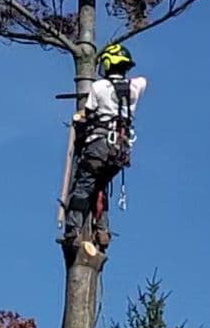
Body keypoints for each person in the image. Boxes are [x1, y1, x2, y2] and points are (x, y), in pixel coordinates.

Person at [62, 42, 147, 253]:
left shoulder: (99, 87)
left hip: (98, 145)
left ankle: (72, 231)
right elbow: (142, 81)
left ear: (108, 64)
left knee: (82, 187)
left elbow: (89, 113)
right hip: (120, 149)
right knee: (99, 186)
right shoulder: (134, 88)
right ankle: (102, 232)